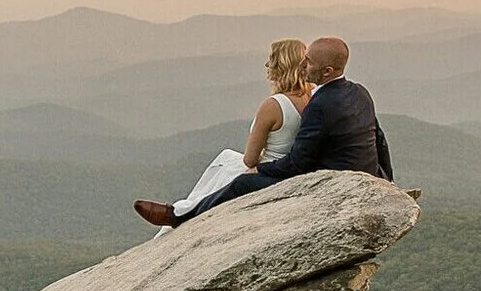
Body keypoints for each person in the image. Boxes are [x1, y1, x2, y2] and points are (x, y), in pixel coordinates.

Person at [137, 36, 391, 227]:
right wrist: (386, 178)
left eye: (309, 62)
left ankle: (178, 216)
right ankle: (182, 210)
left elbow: (299, 161)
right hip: (364, 174)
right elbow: (378, 138)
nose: (303, 65)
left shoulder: (320, 104)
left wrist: (261, 169)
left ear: (328, 71)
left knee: (241, 182)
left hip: (331, 181)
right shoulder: (359, 92)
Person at [151, 40, 317, 234]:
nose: (267, 65)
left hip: (269, 169)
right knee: (225, 160)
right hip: (294, 167)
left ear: (281, 65)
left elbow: (250, 159)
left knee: (223, 166)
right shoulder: (314, 98)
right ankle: (181, 210)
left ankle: (180, 214)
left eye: (271, 60)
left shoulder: (273, 105)